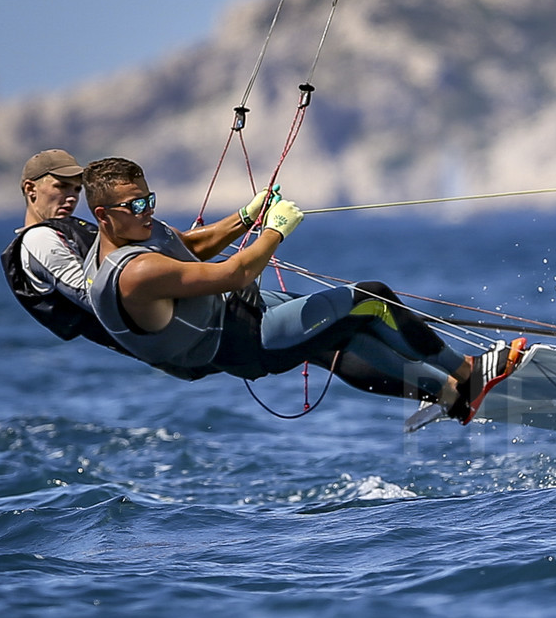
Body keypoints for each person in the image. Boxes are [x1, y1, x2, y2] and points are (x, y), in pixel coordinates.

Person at [82, 156, 521, 421]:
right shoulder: (134, 273)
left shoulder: (134, 229)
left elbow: (188, 244)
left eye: (149, 199)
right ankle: (468, 373)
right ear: (103, 215)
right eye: (136, 205)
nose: (147, 210)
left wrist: (244, 217)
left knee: (348, 334)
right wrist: (275, 231)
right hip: (244, 341)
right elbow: (234, 274)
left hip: (241, 315)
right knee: (372, 299)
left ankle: (450, 396)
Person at [0, 148, 272, 355]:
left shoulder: (68, 228)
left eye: (77, 189)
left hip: (190, 328)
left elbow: (184, 247)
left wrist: (246, 217)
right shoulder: (38, 240)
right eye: (60, 186)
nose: (71, 197)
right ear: (30, 189)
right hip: (183, 338)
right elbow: (97, 295)